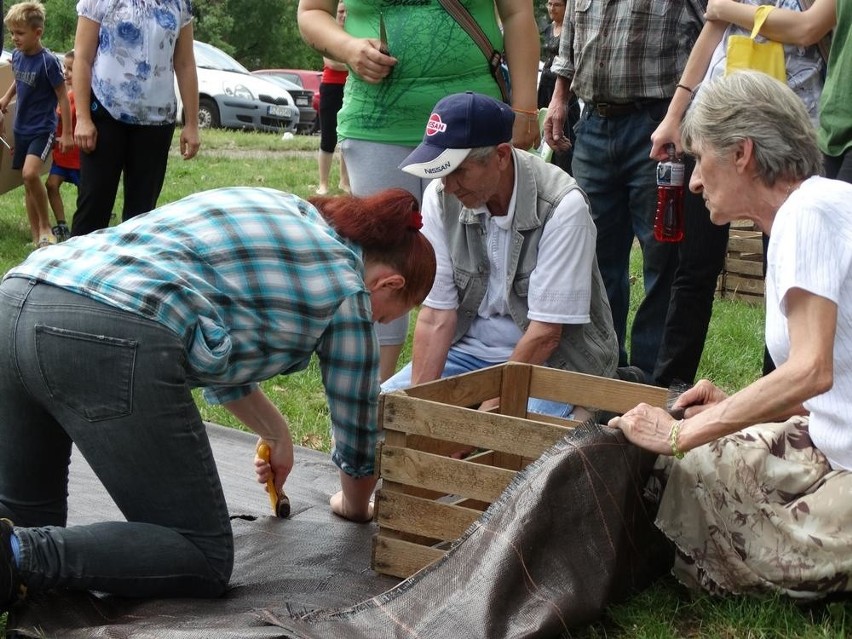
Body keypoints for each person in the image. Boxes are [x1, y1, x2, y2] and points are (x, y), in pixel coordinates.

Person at [0, 186, 435, 612]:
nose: (373, 322)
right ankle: (15, 556)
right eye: (385, 316)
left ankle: (16, 551)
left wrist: (275, 433)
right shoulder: (347, 289)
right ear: (388, 283)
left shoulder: (286, 209)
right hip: (110, 332)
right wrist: (355, 506)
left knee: (28, 518)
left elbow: (218, 345)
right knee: (200, 553)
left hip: (20, 295)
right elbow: (358, 427)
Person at [614, 71, 852, 598]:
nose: (694, 181)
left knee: (728, 535)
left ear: (742, 153)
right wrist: (736, 407)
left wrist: (681, 433)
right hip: (831, 442)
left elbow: (812, 369)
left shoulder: (807, 211)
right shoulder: (809, 211)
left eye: (700, 158)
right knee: (701, 472)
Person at [297, 0, 541, 383]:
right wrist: (348, 48)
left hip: (472, 135)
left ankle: (471, 396)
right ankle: (368, 410)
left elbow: (517, 13)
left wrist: (526, 108)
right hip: (379, 125)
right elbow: (311, 12)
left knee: (482, 267)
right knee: (379, 267)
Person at [383, 92, 618, 418]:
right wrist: (418, 413)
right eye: (442, 172)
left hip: (552, 362)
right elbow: (437, 316)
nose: (448, 186)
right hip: (468, 353)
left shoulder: (563, 206)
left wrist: (482, 422)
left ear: (502, 156)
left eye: (459, 171)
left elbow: (546, 336)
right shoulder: (441, 197)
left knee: (510, 448)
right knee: (378, 416)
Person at [649, 0, 824, 387]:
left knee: (783, 274)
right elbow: (709, 33)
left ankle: (776, 400)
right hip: (717, 132)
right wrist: (673, 118)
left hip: (783, 139)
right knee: (692, 269)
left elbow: (807, 29)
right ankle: (668, 391)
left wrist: (729, 8)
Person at [543, 0, 705, 381]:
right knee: (591, 256)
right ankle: (601, 372)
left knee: (662, 255)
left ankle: (651, 381)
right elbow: (570, 37)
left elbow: (712, 37)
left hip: (658, 123)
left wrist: (685, 117)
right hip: (595, 124)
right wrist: (558, 98)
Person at [70, 0, 200, 237]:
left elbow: (185, 62)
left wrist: (192, 124)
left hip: (157, 121)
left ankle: (131, 272)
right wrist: (83, 118)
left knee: (142, 216)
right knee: (93, 206)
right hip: (106, 113)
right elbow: (82, 58)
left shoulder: (180, 3)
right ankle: (74, 272)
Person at [705, 0, 847, 181]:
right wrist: (674, 114)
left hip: (802, 119)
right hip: (731, 109)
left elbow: (807, 28)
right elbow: (712, 30)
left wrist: (724, 9)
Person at [0, 1, 73, 249]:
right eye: (12, 33)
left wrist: (69, 133)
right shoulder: (18, 56)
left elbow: (63, 95)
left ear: (37, 32)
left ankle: (46, 227)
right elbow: (18, 80)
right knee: (27, 182)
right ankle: (36, 237)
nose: (14, 38)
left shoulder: (48, 61)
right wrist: (6, 99)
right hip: (21, 128)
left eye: (20, 33)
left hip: (42, 129)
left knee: (31, 174)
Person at [536, 0, 578, 175]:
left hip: (563, 88)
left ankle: (564, 172)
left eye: (557, 4)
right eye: (549, 4)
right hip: (545, 86)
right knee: (543, 128)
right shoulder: (545, 30)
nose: (552, 8)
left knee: (564, 132)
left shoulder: (573, 31)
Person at [316, 1, 350, 196]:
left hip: (351, 89)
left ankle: (344, 182)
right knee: (328, 137)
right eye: (340, 11)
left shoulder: (355, 34)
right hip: (331, 88)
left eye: (347, 12)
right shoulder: (328, 33)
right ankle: (323, 184)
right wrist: (353, 61)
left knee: (347, 138)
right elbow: (332, 63)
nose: (344, 15)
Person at [45, 49, 79, 243]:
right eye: (64, 68)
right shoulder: (61, 95)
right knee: (51, 184)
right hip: (61, 157)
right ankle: (62, 225)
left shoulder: (83, 96)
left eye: (71, 69)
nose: (66, 73)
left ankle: (93, 218)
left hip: (78, 159)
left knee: (86, 192)